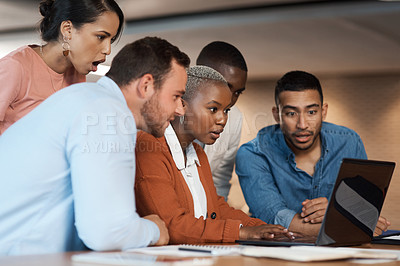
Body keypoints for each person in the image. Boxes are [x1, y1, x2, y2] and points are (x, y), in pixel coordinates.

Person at [0, 36, 190, 255]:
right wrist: (155, 230)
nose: (180, 110)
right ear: (146, 85)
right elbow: (107, 232)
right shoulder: (106, 113)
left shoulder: (86, 99)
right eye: (176, 96)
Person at [134, 66, 294, 244]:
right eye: (213, 109)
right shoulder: (148, 147)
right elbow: (171, 225)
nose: (222, 120)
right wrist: (242, 232)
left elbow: (215, 207)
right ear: (181, 105)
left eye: (226, 110)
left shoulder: (198, 152)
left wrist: (263, 228)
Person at [236, 70, 391, 236]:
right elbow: (275, 218)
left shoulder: (350, 142)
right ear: (277, 115)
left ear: (323, 111)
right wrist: (346, 221)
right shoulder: (253, 154)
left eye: (311, 112)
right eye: (291, 113)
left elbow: (365, 209)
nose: (302, 124)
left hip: (342, 250)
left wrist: (337, 209)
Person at [0, 0, 124, 134]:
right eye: (101, 37)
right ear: (67, 30)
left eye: (110, 40)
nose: (108, 50)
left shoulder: (77, 75)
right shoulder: (15, 67)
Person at [195, 41, 248, 200]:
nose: (230, 99)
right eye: (225, 86)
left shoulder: (235, 118)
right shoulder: (168, 114)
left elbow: (219, 180)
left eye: (237, 92)